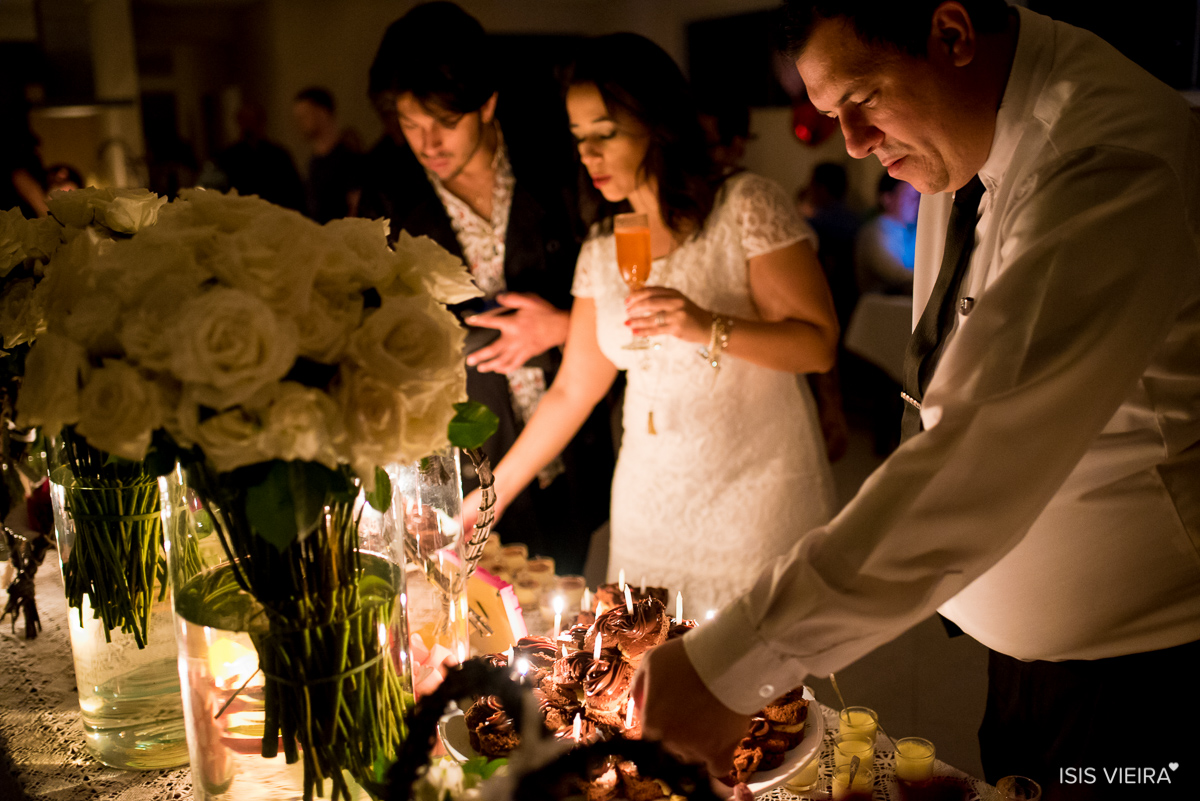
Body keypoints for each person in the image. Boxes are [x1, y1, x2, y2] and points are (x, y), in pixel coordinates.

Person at [635, 3, 1200, 797]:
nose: (853, 143)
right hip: (1021, 667)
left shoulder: (1106, 155)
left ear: (954, 36)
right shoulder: (958, 135)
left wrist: (733, 665)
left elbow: (982, 453)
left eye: (860, 100)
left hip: (1137, 687)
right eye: (832, 116)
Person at [472, 33, 839, 612]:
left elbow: (817, 345)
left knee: (769, 689)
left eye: (604, 134)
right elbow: (572, 391)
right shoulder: (601, 245)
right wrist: (489, 499)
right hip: (650, 505)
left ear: (657, 122)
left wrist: (704, 326)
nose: (588, 156)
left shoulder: (743, 205)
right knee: (644, 682)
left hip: (755, 500)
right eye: (578, 140)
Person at [362, 2, 613, 573]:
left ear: (488, 103)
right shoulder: (389, 194)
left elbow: (624, 289)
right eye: (410, 123)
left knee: (567, 594)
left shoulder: (557, 164)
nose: (428, 143)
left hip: (572, 436)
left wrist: (559, 325)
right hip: (467, 448)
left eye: (446, 122)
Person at [215, 102, 305, 212]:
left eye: (253, 121)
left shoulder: (279, 155)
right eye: (244, 121)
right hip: (242, 215)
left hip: (275, 215)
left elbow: (294, 192)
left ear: (261, 122)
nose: (248, 125)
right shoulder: (228, 156)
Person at [292, 86, 365, 222]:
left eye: (304, 116)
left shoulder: (348, 157)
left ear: (322, 112)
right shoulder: (315, 161)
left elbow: (355, 205)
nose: (300, 123)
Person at [855, 173, 919, 295]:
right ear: (887, 199)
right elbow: (895, 275)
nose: (916, 204)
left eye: (917, 198)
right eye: (910, 197)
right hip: (883, 308)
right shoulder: (874, 233)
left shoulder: (910, 231)